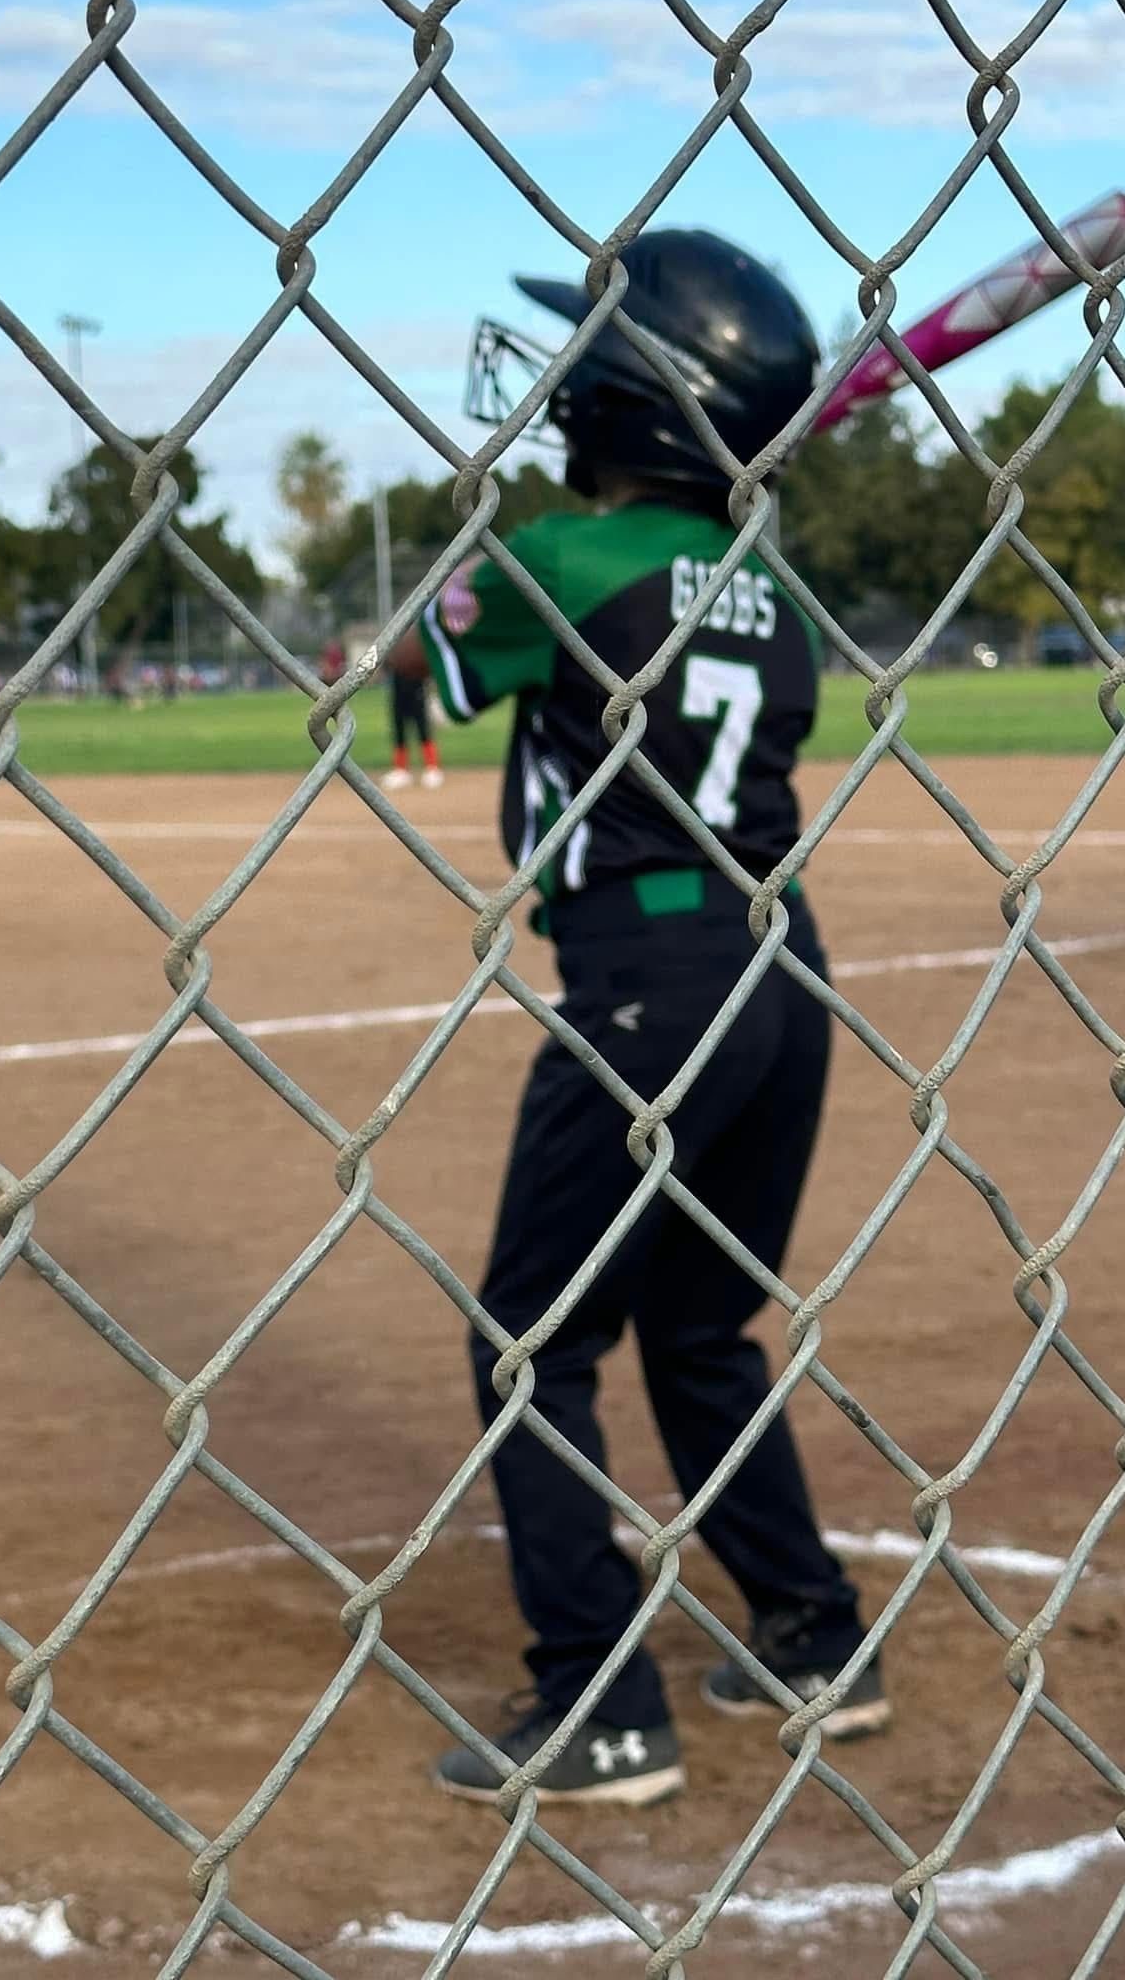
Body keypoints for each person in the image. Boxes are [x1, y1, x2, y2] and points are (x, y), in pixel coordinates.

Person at [392, 229, 888, 1807]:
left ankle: (602, 1702)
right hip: (778, 972)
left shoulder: (561, 558)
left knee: (532, 1345)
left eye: (582, 360)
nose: (555, 382)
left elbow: (425, 663)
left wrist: (487, 542)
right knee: (696, 1327)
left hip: (641, 986)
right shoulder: (778, 588)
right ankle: (814, 1635)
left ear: (634, 400)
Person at [382, 665, 443, 789]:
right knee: (399, 730)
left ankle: (432, 768)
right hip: (398, 689)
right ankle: (401, 770)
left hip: (416, 687)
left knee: (423, 729)